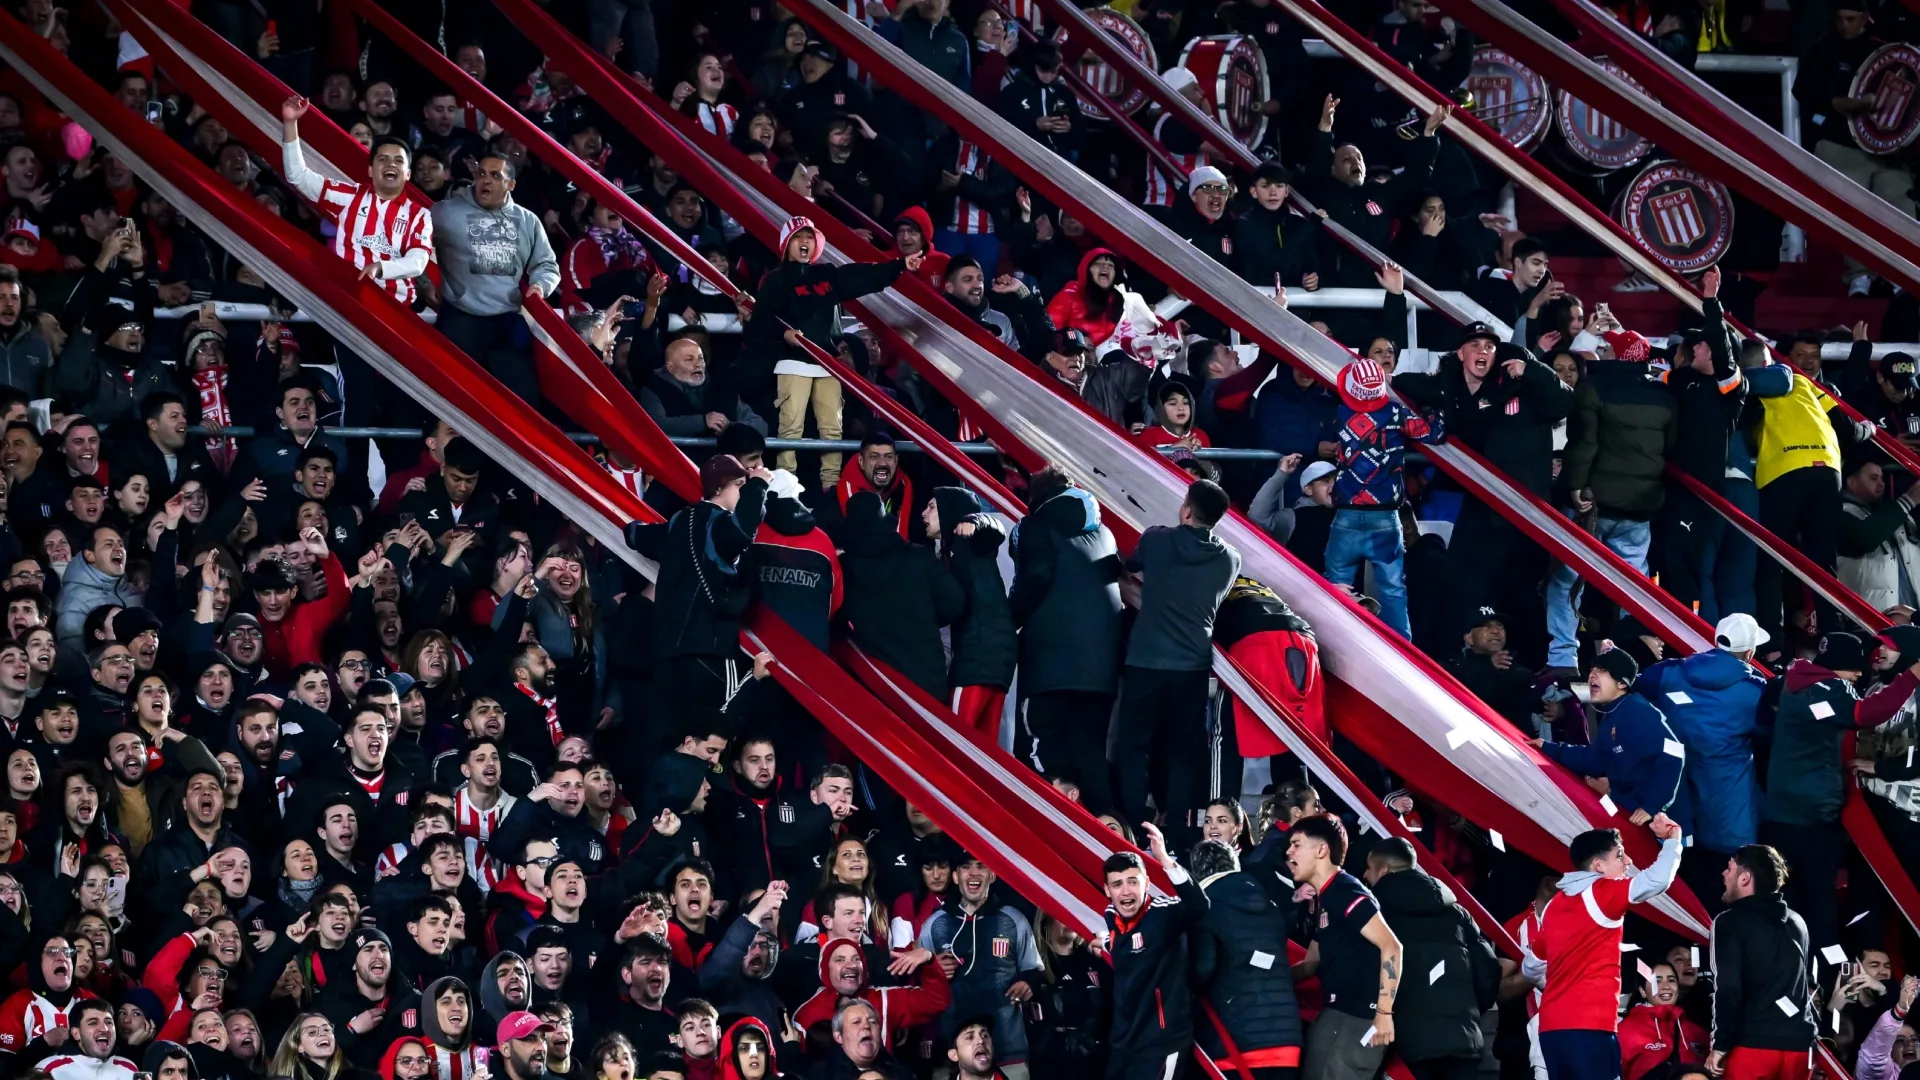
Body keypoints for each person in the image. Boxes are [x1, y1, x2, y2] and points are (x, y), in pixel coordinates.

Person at [1763, 630, 1917, 952]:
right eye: (1856, 668)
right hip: (1818, 816)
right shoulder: (1832, 690)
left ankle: (1797, 966)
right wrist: (1912, 676)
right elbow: (1865, 716)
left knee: (1791, 897)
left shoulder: (1798, 680)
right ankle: (1828, 972)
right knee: (1821, 900)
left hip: (1789, 812)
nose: (1863, 673)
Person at [741, 218, 915, 489]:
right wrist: (783, 335)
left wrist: (900, 266)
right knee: (790, 429)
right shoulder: (775, 280)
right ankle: (787, 487)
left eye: (810, 238)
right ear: (786, 244)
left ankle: (831, 486)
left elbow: (861, 277)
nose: (805, 243)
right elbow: (762, 322)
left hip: (827, 361)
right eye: (799, 238)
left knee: (833, 430)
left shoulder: (826, 274)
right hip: (793, 362)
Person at [1113, 480, 1239, 837]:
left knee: (1134, 745)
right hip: (1192, 667)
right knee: (1182, 750)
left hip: (1145, 661)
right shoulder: (1230, 558)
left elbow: (1130, 564)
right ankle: (1178, 826)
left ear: (1186, 511)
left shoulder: (1157, 539)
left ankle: (1133, 825)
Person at [1525, 818, 1685, 1080]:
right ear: (1598, 867)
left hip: (1551, 1031)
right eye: (1620, 855)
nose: (1628, 862)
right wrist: (1673, 838)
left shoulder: (1553, 906)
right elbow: (1657, 880)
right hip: (1591, 1028)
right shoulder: (1602, 892)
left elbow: (1531, 967)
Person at [1011, 466, 1124, 813]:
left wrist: (1009, 618)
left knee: (1040, 747)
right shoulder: (1104, 532)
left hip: (1051, 663)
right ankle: (1105, 828)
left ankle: (1047, 826)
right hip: (1102, 666)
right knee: (1089, 750)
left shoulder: (1035, 526)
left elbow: (1037, 576)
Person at [1635, 614, 1771, 902]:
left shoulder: (1667, 673)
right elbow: (1769, 731)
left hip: (1675, 797)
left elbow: (1629, 690)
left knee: (1679, 885)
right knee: (1730, 886)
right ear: (1749, 652)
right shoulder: (1756, 691)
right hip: (1731, 804)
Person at [1325, 358, 1444, 639]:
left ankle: (1335, 648)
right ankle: (1404, 653)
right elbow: (1435, 432)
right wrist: (1430, 408)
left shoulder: (1339, 413)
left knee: (1335, 587)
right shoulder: (1396, 414)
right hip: (1386, 518)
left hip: (1346, 515)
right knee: (1393, 590)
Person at [430, 156, 560, 409]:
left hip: (507, 320)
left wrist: (540, 286)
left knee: (525, 403)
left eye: (495, 176)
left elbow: (547, 265)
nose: (485, 180)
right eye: (481, 174)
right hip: (461, 319)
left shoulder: (528, 220)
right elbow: (410, 243)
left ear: (510, 184)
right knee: (453, 401)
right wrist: (424, 284)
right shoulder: (445, 212)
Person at [1365, 838, 1500, 1080]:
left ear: (1382, 870)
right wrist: (1465, 1010)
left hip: (1402, 1043)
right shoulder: (1457, 912)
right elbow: (1488, 970)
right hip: (1461, 1039)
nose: (1365, 875)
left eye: (1369, 868)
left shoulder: (1373, 914)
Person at [278, 97, 432, 306]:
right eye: (382, 159)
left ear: (408, 174)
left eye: (398, 160)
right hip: (351, 304)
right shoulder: (349, 196)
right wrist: (290, 124)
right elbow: (298, 176)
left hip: (398, 310)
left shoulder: (420, 215)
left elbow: (418, 261)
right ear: (370, 170)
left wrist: (381, 267)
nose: (390, 164)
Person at [1288, 814, 1402, 1080]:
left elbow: (1392, 946)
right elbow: (1310, 964)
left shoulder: (1345, 890)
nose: (1289, 852)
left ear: (1321, 849)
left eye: (1296, 844)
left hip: (1357, 1017)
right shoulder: (1327, 897)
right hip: (1336, 1014)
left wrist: (1383, 1013)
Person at [1532, 649, 1683, 829]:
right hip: (1638, 813)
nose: (1593, 675)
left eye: (1602, 670)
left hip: (1661, 823)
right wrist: (1548, 748)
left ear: (1621, 683)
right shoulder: (1613, 713)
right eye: (1593, 669)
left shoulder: (1635, 712)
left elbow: (1674, 755)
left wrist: (1651, 806)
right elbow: (1595, 759)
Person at [1187, 839, 1301, 1079]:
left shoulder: (1205, 908)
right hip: (1287, 1037)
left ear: (1195, 872)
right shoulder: (1270, 907)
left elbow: (1201, 969)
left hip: (1235, 1040)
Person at [1102, 822, 1208, 1080]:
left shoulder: (1163, 913)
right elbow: (1129, 949)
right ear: (1107, 891)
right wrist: (1103, 944)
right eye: (1117, 885)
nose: (1126, 891)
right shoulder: (1112, 921)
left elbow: (1199, 905)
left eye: (1132, 882)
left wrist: (1163, 858)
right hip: (1124, 1044)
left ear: (1147, 884)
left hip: (1162, 1043)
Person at [1705, 845, 1814, 1080]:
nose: (1724, 874)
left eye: (1730, 868)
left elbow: (1728, 988)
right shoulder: (1799, 922)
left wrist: (1721, 1044)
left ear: (1745, 878)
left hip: (1752, 1047)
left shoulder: (1729, 922)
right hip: (1800, 1047)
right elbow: (1808, 986)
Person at [923, 488, 1015, 736]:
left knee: (956, 745)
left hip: (977, 658)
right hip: (997, 662)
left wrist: (976, 520)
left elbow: (995, 529)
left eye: (931, 507)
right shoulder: (948, 551)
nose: (924, 513)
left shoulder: (967, 539)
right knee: (985, 755)